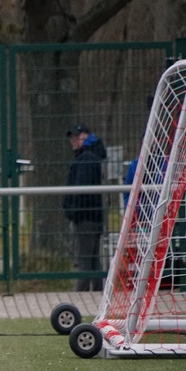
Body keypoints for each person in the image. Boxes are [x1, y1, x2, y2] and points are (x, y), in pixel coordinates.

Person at [63, 123, 107, 292]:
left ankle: (80, 295)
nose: (73, 141)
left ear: (86, 136)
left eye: (77, 137)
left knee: (83, 260)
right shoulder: (92, 156)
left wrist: (73, 211)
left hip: (85, 217)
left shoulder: (86, 158)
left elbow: (82, 190)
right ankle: (98, 292)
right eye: (72, 138)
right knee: (93, 259)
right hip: (92, 216)